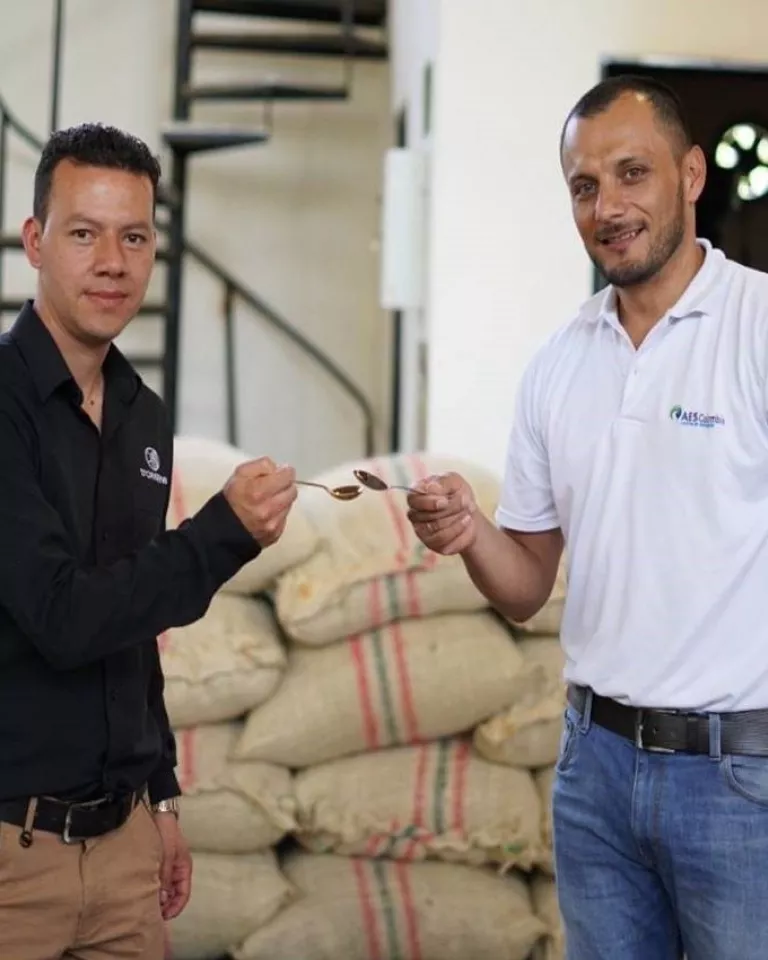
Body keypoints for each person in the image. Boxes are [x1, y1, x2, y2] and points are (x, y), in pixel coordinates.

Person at [405, 74, 768, 960]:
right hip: (594, 772)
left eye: (631, 174)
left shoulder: (758, 326)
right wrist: (469, 534)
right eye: (583, 185)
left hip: (740, 781)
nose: (607, 206)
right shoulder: (557, 366)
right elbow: (526, 583)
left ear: (689, 176)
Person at [0, 123, 297, 960]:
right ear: (35, 242)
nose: (112, 261)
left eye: (134, 236)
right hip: (11, 856)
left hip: (124, 852)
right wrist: (221, 536)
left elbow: (135, 626)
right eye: (84, 233)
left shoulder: (144, 415)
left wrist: (161, 798)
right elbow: (61, 616)